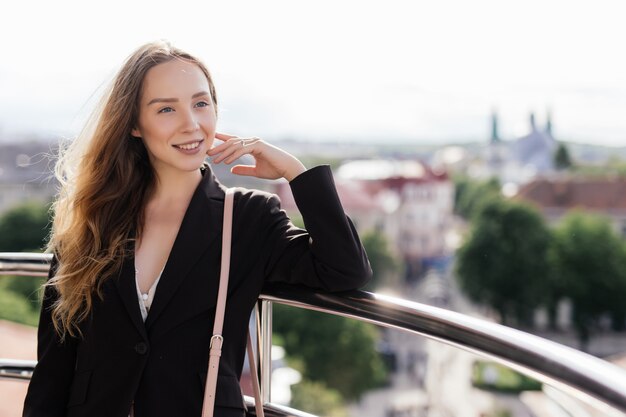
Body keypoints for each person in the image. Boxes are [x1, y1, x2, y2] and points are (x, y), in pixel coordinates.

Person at [22, 40, 371, 417]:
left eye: (201, 103)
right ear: (135, 125)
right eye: (167, 109)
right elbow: (54, 368)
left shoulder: (247, 217)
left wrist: (295, 172)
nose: (191, 124)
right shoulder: (92, 218)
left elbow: (344, 269)